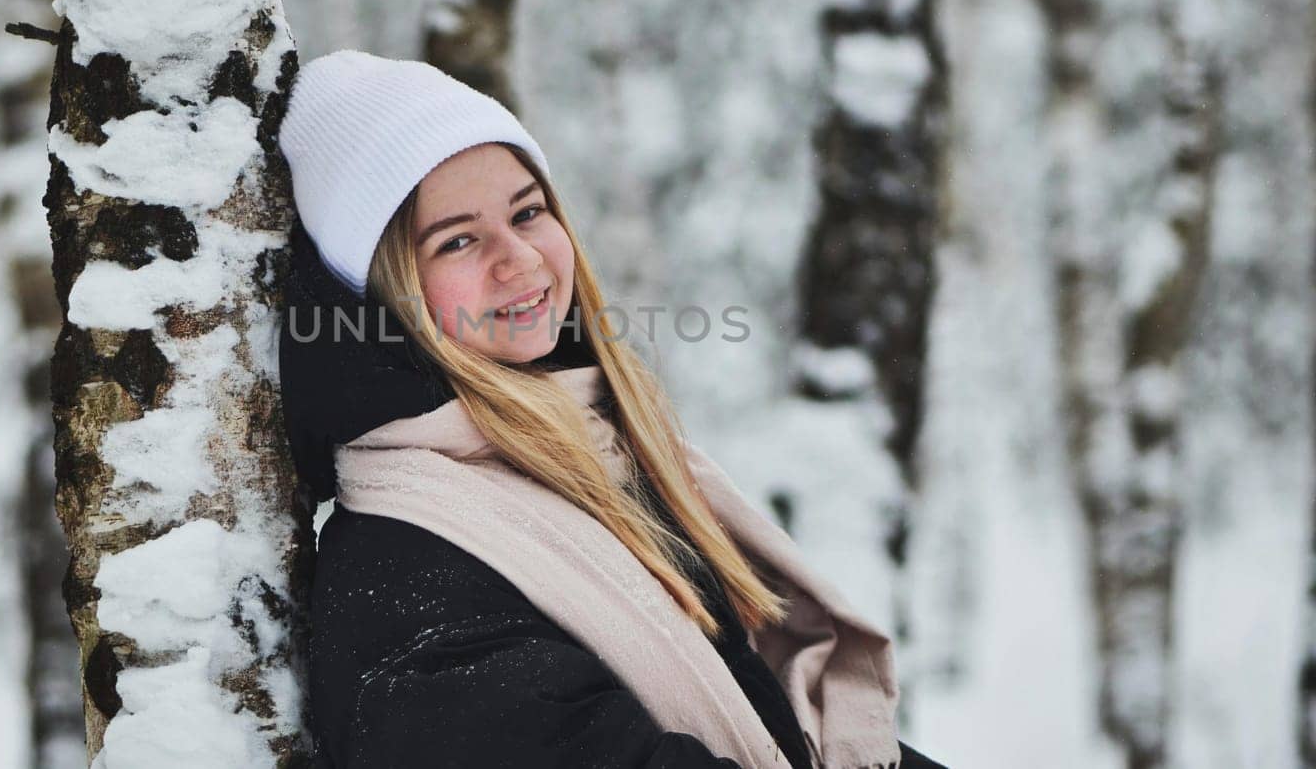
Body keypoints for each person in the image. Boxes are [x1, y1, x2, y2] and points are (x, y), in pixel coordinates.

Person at [277, 50, 945, 768]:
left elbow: (774, 716)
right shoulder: (406, 575)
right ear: (384, 294)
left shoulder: (602, 459)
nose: (521, 259)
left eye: (528, 212)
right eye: (458, 240)